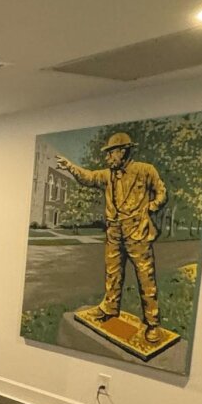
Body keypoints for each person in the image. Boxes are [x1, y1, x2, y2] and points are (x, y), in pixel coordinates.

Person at [56, 132, 167, 343]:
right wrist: (70, 166)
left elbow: (161, 192)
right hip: (114, 232)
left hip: (137, 232)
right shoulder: (107, 175)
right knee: (113, 274)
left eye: (111, 153)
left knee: (146, 278)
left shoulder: (145, 170)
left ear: (122, 152)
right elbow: (88, 177)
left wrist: (152, 207)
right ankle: (109, 308)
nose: (107, 158)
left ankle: (152, 323)